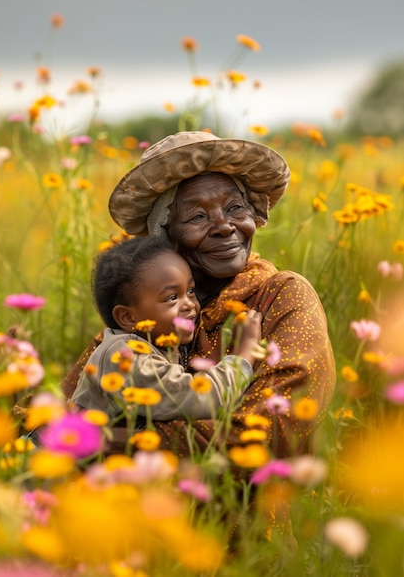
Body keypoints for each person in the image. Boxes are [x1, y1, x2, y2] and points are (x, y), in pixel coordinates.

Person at [62, 130, 336, 459]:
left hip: (246, 507)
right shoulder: (144, 317)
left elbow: (274, 432)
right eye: (198, 216)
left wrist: (116, 440)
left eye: (236, 208)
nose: (224, 226)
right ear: (163, 235)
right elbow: (58, 416)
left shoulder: (281, 297)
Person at [71, 234, 261, 422]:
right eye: (172, 298)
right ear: (128, 317)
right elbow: (200, 399)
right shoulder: (123, 355)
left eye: (191, 291)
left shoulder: (157, 347)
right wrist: (245, 351)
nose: (189, 304)